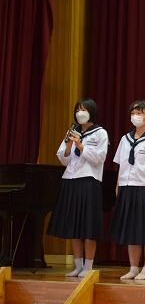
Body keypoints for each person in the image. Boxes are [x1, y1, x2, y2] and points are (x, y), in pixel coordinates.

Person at [48, 98, 109, 277]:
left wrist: (81, 146)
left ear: (91, 112)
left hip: (89, 181)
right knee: (74, 226)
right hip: (71, 179)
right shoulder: (72, 130)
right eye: (78, 110)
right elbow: (63, 159)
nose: (80, 113)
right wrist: (68, 146)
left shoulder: (100, 133)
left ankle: (88, 267)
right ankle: (77, 265)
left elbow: (99, 158)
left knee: (88, 227)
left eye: (84, 110)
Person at [109, 100, 145, 281]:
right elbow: (121, 164)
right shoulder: (125, 139)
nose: (136, 116)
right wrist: (118, 186)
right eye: (133, 113)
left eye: (140, 113)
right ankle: (133, 268)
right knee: (131, 229)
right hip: (127, 187)